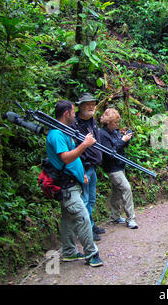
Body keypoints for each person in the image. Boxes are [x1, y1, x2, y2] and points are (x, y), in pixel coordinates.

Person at [46, 100, 103, 267]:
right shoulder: (56, 134)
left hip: (72, 182)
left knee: (68, 220)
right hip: (66, 187)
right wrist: (85, 145)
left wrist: (81, 174)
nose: (75, 114)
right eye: (73, 111)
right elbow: (66, 157)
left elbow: (73, 158)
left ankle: (69, 252)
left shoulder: (64, 131)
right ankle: (92, 254)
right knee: (83, 217)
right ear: (66, 114)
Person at [71, 93, 105, 241]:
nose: (91, 107)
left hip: (93, 166)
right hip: (84, 167)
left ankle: (90, 225)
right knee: (84, 200)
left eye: (93, 104)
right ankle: (86, 230)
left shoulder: (92, 121)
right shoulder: (75, 124)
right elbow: (74, 147)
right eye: (87, 104)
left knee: (91, 199)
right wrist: (82, 170)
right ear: (81, 106)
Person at [98, 108, 138, 229]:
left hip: (120, 165)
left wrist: (126, 139)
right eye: (115, 122)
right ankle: (131, 219)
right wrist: (122, 140)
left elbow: (120, 147)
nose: (117, 124)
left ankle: (114, 217)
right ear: (108, 122)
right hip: (112, 168)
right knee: (126, 188)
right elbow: (110, 152)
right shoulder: (102, 134)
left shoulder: (114, 131)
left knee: (116, 192)